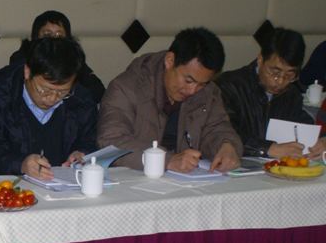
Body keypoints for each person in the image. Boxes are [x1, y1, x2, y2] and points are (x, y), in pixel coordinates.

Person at [98, 27, 242, 172]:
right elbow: (111, 142)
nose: (192, 90)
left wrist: (227, 145)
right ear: (170, 61)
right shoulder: (126, 88)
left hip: (188, 180)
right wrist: (166, 160)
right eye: (188, 80)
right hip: (136, 179)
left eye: (202, 84)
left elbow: (217, 127)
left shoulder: (208, 92)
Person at [0, 37, 97, 178]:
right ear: (27, 72)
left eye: (62, 92)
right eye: (45, 90)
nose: (52, 99)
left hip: (63, 186)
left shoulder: (81, 100)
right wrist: (21, 165)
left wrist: (82, 153)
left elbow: (90, 140)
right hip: (7, 186)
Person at [217, 28, 326, 158]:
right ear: (260, 59)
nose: (280, 81)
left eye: (289, 75)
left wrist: (319, 141)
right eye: (275, 73)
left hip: (275, 166)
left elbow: (301, 125)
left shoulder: (291, 94)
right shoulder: (229, 86)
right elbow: (221, 133)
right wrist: (267, 149)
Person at [9, 10, 105, 103]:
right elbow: (16, 89)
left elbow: (97, 92)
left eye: (59, 35)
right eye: (47, 35)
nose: (53, 39)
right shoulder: (22, 58)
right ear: (36, 36)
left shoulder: (73, 59)